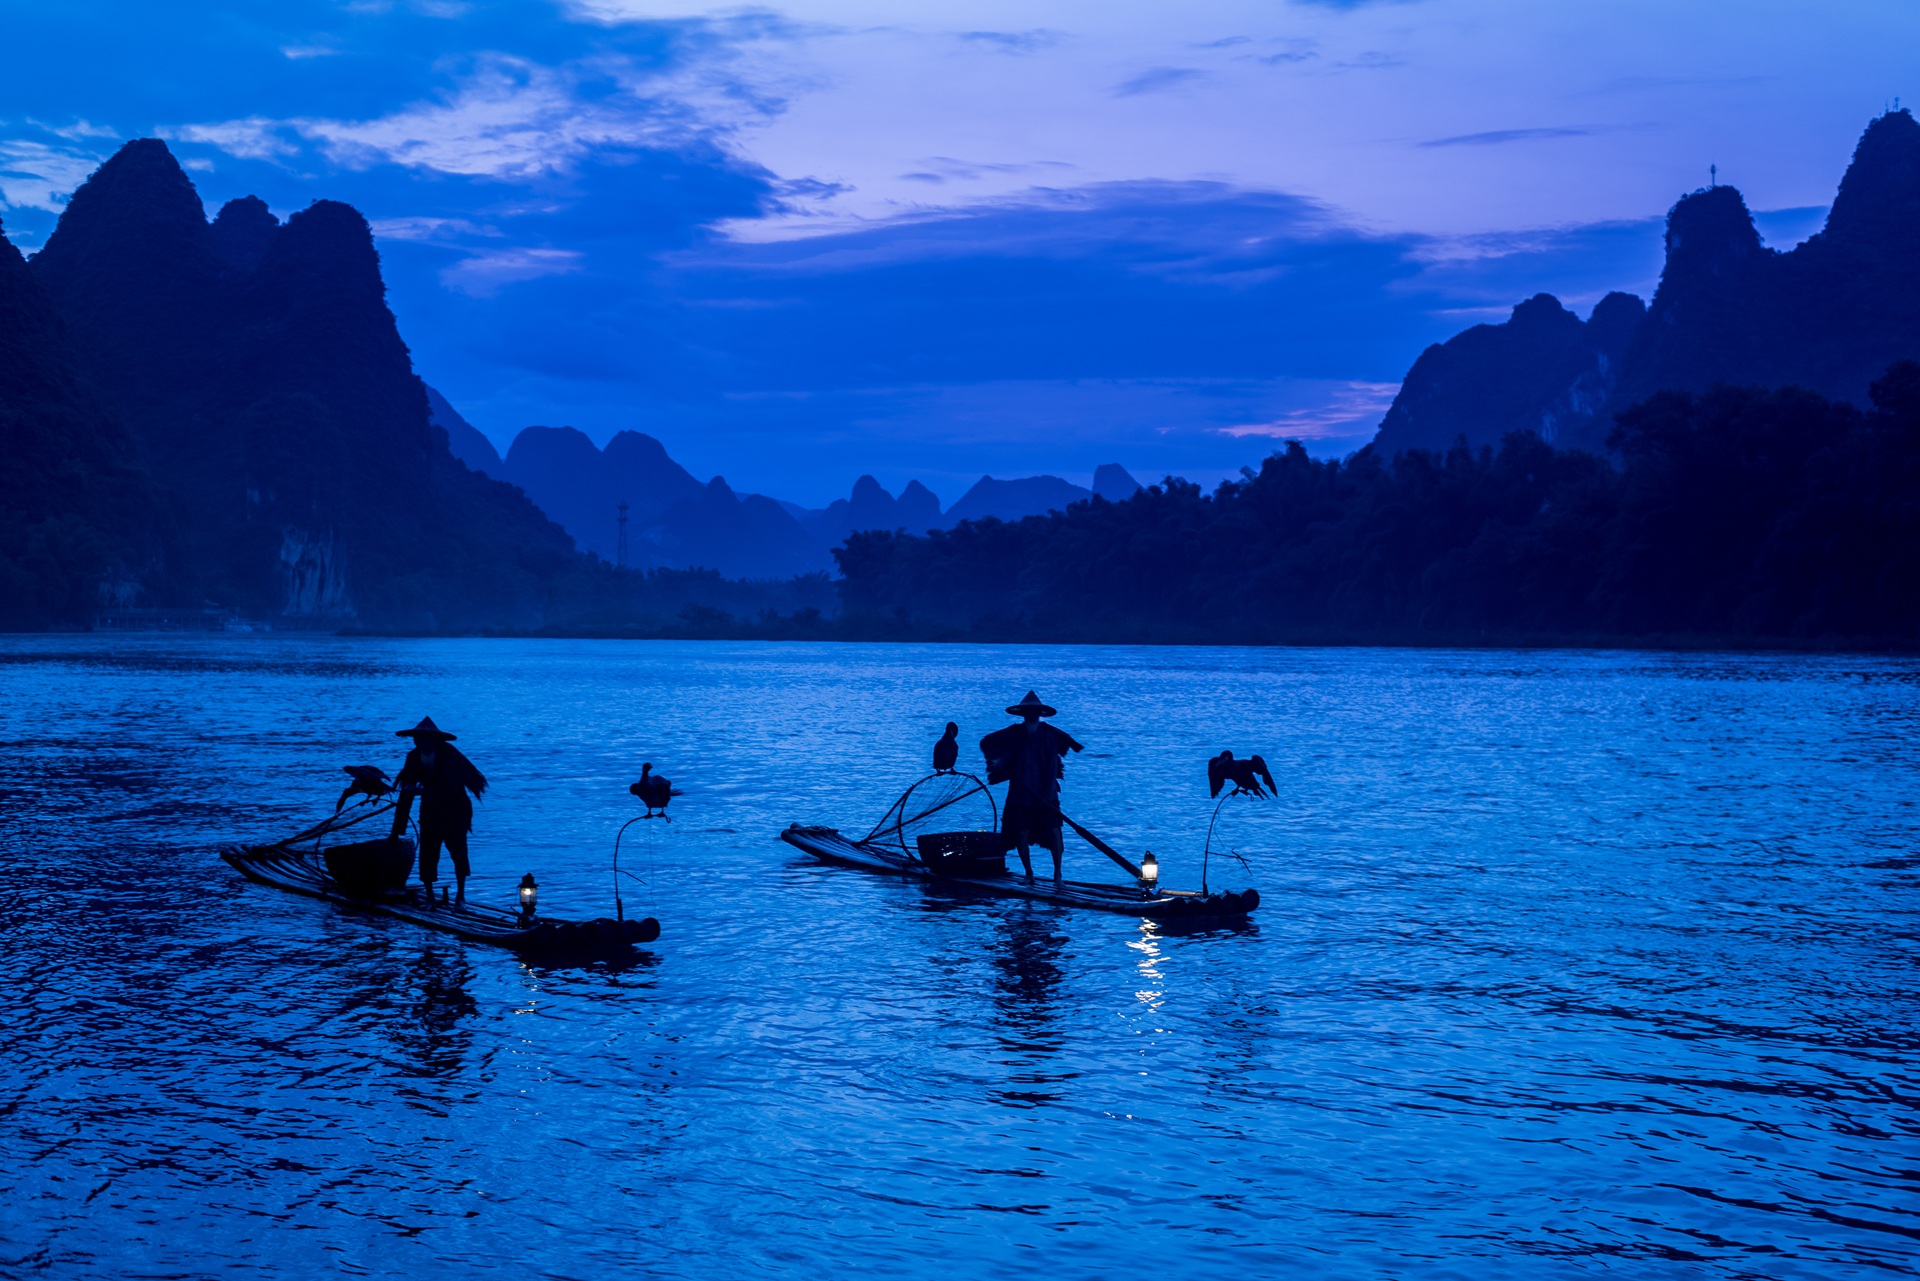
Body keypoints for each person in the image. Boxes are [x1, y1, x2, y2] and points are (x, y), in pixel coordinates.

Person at [979, 691, 1083, 881]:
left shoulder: (1049, 735)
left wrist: (1045, 792)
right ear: (1024, 714)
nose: (1032, 715)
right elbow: (988, 743)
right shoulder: (1015, 733)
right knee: (1021, 833)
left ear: (1039, 713)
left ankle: (1057, 874)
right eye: (1029, 712)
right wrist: (1001, 767)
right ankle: (1029, 874)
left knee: (1053, 831)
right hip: (1020, 794)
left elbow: (1052, 765)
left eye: (1035, 712)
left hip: (1047, 794)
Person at [389, 716, 488, 904]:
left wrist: (422, 790)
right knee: (428, 853)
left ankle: (460, 896)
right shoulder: (413, 758)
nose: (422, 742)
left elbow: (450, 786)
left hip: (455, 812)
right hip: (430, 813)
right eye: (418, 739)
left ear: (435, 740)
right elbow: (406, 794)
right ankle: (431, 898)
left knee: (458, 852)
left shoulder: (449, 755)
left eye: (426, 739)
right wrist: (396, 830)